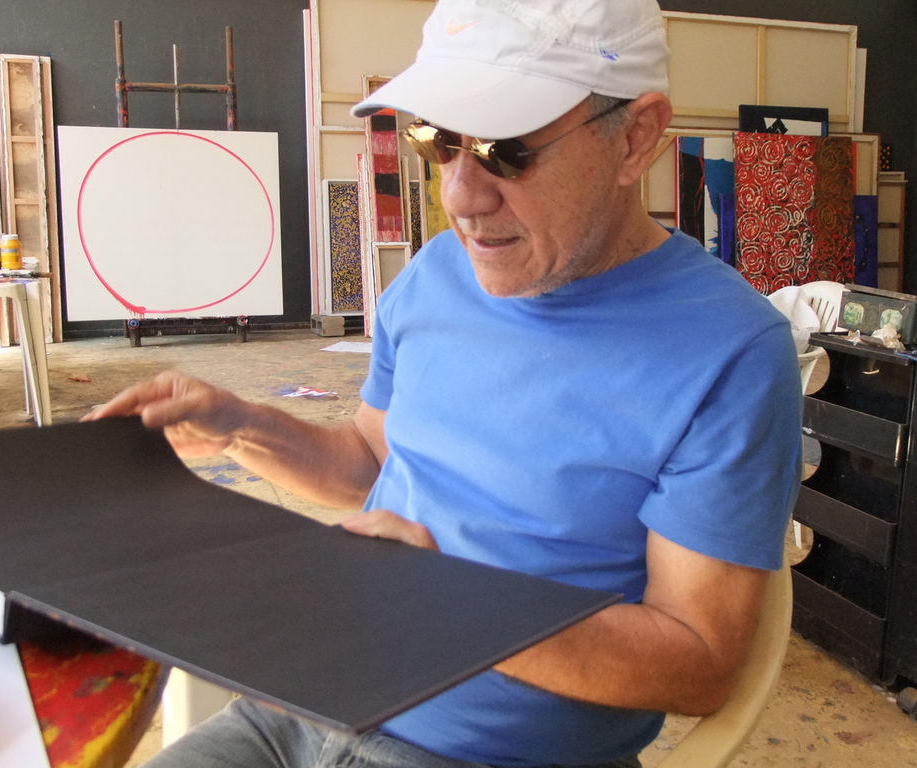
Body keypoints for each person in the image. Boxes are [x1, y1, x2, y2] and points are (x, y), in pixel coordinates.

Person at [89, 0, 803, 766]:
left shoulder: (727, 351)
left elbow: (698, 664)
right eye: (438, 139)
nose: (459, 196)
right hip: (302, 703)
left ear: (633, 139)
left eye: (507, 150)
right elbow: (373, 462)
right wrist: (240, 427)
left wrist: (451, 607)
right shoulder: (437, 276)